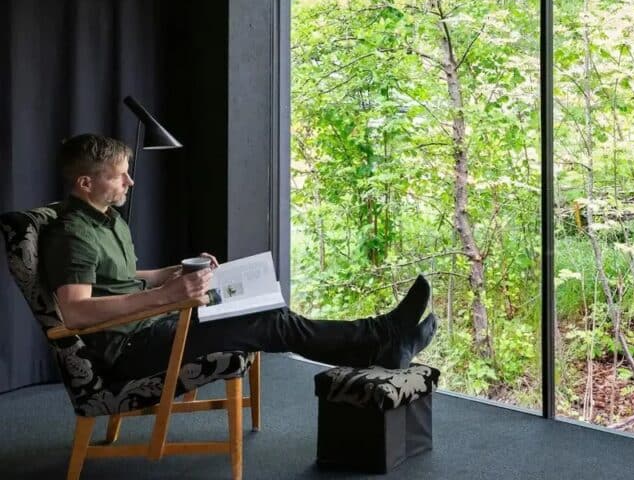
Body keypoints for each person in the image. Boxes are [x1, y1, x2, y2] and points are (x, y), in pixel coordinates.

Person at [40, 133, 436, 381]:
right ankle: (380, 338)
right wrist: (167, 296)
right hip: (131, 349)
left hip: (154, 325)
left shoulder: (107, 221)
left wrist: (169, 273)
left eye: (127, 172)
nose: (131, 181)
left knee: (259, 302)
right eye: (119, 176)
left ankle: (382, 339)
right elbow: (75, 312)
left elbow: (119, 279)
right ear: (86, 182)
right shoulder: (73, 234)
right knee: (271, 322)